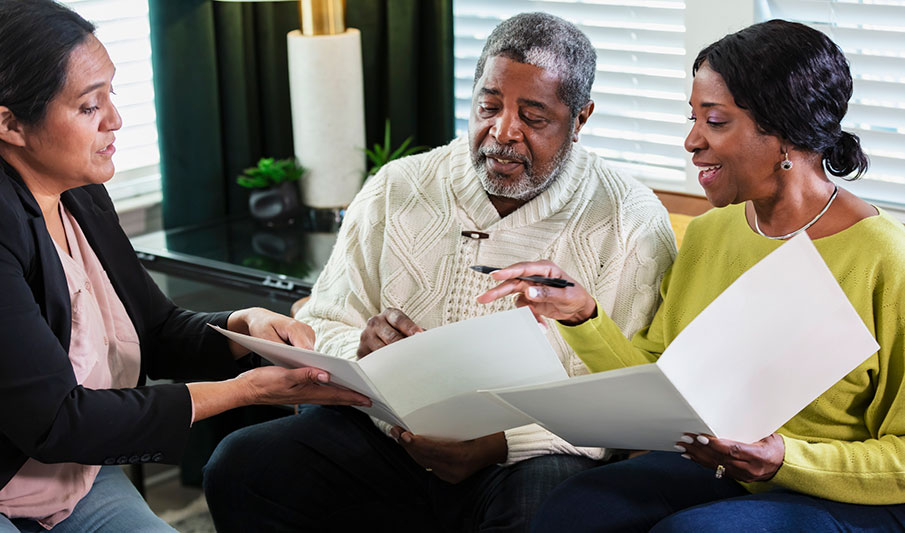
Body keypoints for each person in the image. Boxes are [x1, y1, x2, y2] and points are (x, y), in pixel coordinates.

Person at [203, 11, 676, 533]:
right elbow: (320, 325)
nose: (502, 132)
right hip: (389, 437)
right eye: (488, 106)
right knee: (245, 466)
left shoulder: (632, 221)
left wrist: (497, 444)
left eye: (534, 118)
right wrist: (363, 350)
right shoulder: (397, 186)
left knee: (553, 510)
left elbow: (623, 399)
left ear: (580, 119)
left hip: (527, 456)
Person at [478, 19, 905, 531]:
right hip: (724, 470)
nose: (691, 141)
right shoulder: (710, 234)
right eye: (692, 118)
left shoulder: (884, 259)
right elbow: (660, 385)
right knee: (576, 507)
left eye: (716, 122)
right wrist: (582, 315)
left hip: (840, 493)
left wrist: (786, 458)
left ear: (786, 132)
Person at [0, 2, 370, 531]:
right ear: (9, 123)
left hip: (70, 477)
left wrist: (242, 328)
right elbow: (59, 421)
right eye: (88, 107)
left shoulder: (79, 194)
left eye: (112, 94)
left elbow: (155, 328)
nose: (115, 120)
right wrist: (247, 391)